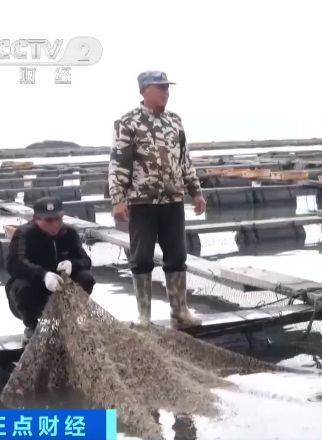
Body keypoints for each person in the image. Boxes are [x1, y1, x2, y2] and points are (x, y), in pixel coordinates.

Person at [108, 70, 206, 330]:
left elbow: (184, 160)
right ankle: (144, 317)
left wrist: (195, 191)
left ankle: (180, 312)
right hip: (142, 202)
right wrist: (118, 199)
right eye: (160, 87)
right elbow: (119, 163)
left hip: (172, 200)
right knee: (141, 258)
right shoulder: (128, 122)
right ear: (144, 90)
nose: (166, 91)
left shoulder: (175, 121)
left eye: (166, 87)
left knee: (177, 256)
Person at [6, 197, 95, 340]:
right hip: (35, 291)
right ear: (36, 218)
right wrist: (43, 275)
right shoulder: (24, 234)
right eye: (48, 221)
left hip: (62, 288)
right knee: (21, 286)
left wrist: (73, 264)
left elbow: (85, 260)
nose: (55, 225)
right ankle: (32, 325)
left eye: (58, 219)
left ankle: (71, 319)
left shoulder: (69, 233)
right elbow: (14, 263)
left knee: (86, 278)